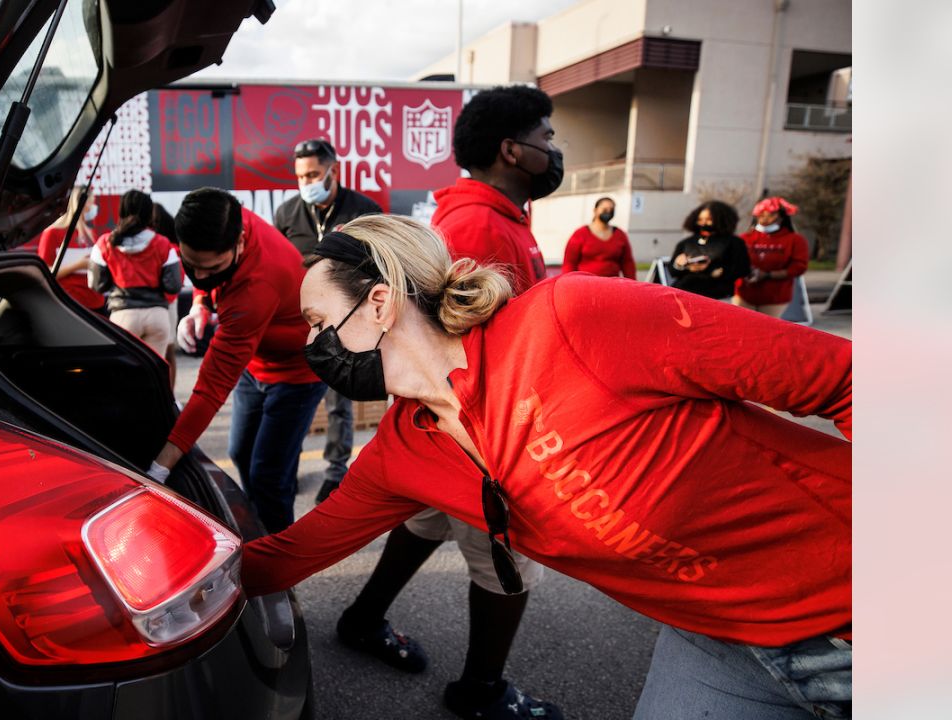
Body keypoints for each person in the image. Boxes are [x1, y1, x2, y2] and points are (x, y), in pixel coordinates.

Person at [244, 213, 851, 720]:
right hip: (718, 641)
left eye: (320, 324)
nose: (311, 347)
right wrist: (161, 584)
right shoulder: (402, 453)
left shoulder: (571, 318)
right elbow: (288, 557)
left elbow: (846, 380)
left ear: (379, 304)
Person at [333, 84, 564, 720]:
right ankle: (482, 693)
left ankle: (360, 619)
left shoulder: (497, 218)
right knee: (507, 564)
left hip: (462, 425)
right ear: (512, 150)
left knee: (424, 522)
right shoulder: (475, 225)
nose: (554, 148)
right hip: (477, 429)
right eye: (546, 136)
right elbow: (452, 341)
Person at [148, 188, 327, 534]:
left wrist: (159, 468)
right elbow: (208, 277)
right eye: (191, 265)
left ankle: (278, 566)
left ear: (241, 243)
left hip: (296, 375)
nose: (199, 276)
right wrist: (201, 302)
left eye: (211, 268)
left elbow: (212, 387)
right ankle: (257, 527)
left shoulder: (256, 286)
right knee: (241, 453)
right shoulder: (222, 216)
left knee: (268, 477)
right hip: (256, 364)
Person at [274, 138, 382, 504]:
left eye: (314, 174)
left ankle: (336, 472)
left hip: (344, 323)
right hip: (296, 322)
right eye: (301, 176)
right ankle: (285, 471)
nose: (306, 182)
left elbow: (380, 265)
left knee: (338, 402)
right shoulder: (287, 213)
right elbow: (277, 264)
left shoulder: (363, 211)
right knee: (292, 400)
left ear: (333, 170)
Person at [89, 190, 182, 360]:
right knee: (155, 372)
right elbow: (174, 285)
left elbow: (96, 284)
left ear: (121, 211)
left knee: (125, 376)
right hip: (157, 317)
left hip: (123, 317)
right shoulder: (163, 243)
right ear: (148, 213)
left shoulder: (105, 243)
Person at [735, 196, 810, 318]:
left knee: (766, 331)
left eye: (770, 215)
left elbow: (799, 267)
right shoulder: (744, 238)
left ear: (782, 217)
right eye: (761, 214)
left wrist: (768, 274)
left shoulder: (795, 240)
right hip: (744, 294)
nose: (765, 219)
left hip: (775, 297)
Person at [35, 186, 105, 314]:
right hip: (70, 302)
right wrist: (78, 265)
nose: (94, 206)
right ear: (82, 203)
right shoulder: (53, 233)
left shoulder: (90, 233)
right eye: (91, 201)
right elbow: (45, 273)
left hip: (95, 301)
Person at [668, 201, 751, 300]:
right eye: (700, 219)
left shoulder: (734, 242)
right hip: (685, 292)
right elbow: (672, 271)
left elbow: (743, 269)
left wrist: (715, 271)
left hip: (717, 295)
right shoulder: (686, 243)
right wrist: (681, 266)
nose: (703, 223)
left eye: (709, 219)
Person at [562, 196, 637, 278]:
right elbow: (569, 263)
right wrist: (569, 282)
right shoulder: (580, 234)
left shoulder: (620, 235)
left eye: (611, 209)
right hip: (585, 283)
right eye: (605, 209)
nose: (608, 211)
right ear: (595, 210)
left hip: (612, 284)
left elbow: (627, 263)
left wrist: (633, 283)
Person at [152, 202, 184, 388]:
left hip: (161, 303)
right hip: (166, 304)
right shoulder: (170, 246)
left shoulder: (168, 247)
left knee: (165, 352)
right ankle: (168, 395)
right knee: (168, 351)